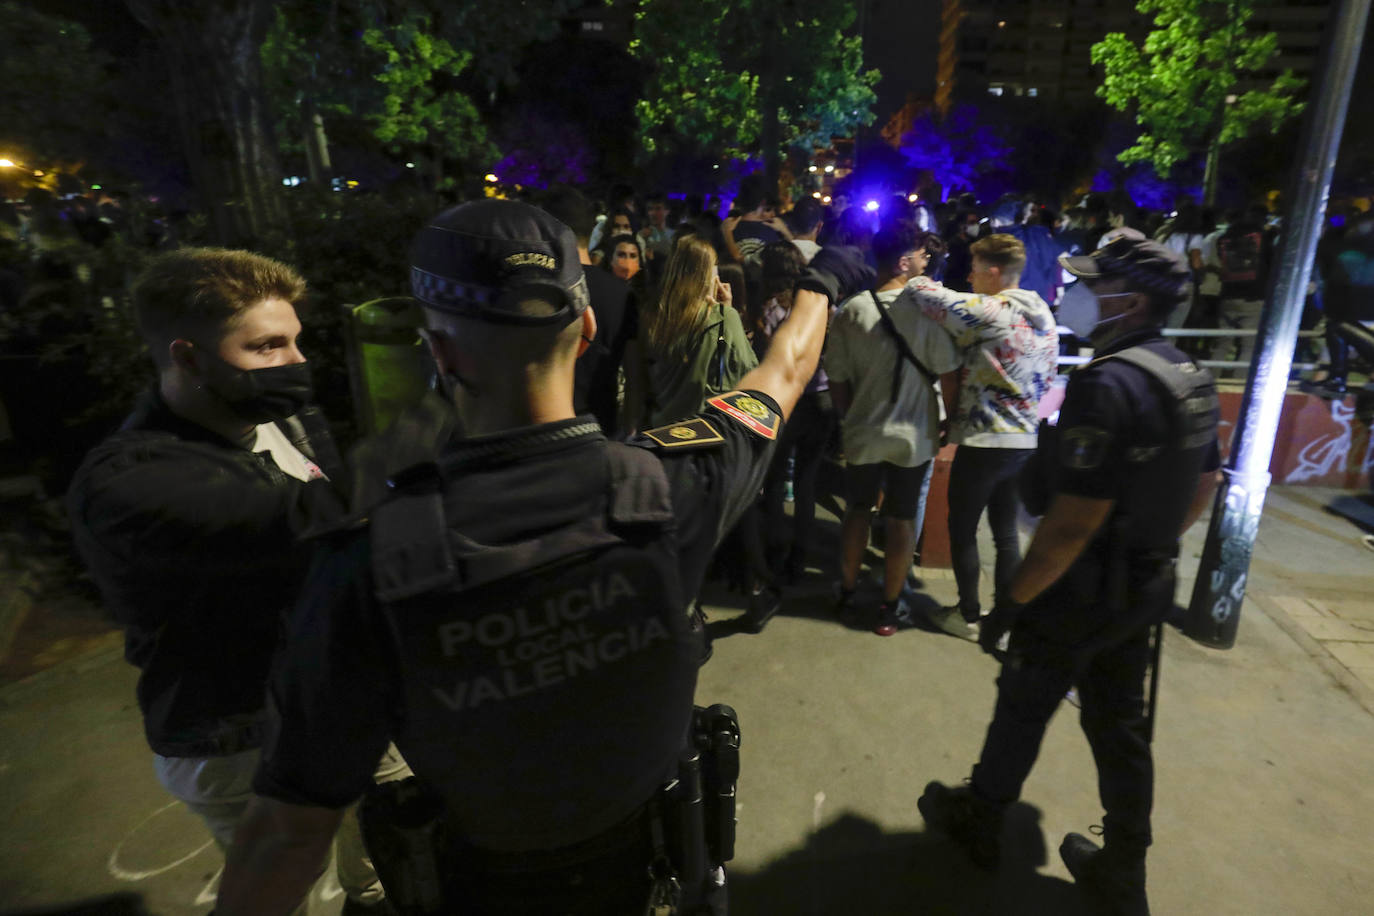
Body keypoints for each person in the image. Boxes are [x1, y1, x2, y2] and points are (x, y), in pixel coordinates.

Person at [214, 198, 872, 915]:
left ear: (438, 352)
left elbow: (287, 833)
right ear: (586, 328)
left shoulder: (364, 568)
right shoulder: (671, 486)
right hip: (651, 877)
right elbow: (782, 374)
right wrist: (823, 282)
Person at [65, 248, 402, 916]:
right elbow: (314, 516)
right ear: (188, 358)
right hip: (244, 742)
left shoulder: (281, 417)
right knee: (298, 901)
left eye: (296, 341)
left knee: (390, 865)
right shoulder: (129, 482)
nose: (295, 362)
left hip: (344, 697)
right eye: (267, 346)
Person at [918, 235, 1221, 916]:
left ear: (1131, 301)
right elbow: (1206, 481)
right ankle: (1124, 867)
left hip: (1078, 589)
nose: (1080, 295)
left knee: (1023, 704)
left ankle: (982, 819)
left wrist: (1012, 603)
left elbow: (1070, 525)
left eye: (1095, 284)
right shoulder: (1187, 374)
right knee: (1120, 726)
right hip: (1143, 587)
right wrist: (1145, 548)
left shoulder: (1111, 383)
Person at [905, 234, 1059, 638]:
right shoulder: (1043, 314)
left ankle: (968, 615)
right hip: (1024, 439)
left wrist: (920, 270)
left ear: (993, 272)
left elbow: (924, 293)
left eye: (974, 269)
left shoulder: (993, 311)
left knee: (963, 529)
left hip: (985, 440)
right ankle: (1005, 620)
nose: (969, 277)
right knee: (1005, 532)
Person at [826, 223, 961, 630]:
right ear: (903, 261)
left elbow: (837, 378)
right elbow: (951, 374)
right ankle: (889, 606)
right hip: (914, 435)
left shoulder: (851, 310)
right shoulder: (928, 311)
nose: (927, 261)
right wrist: (948, 421)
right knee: (902, 519)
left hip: (864, 431)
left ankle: (847, 592)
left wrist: (849, 418)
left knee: (856, 511)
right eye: (921, 254)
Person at [541, 186, 642, 437]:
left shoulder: (540, 290)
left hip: (547, 426)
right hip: (600, 426)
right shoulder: (622, 294)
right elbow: (634, 373)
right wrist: (629, 425)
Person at [641, 235, 758, 427]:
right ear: (706, 273)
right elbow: (747, 367)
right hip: (701, 428)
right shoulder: (723, 317)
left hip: (658, 425)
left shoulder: (653, 314)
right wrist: (727, 310)